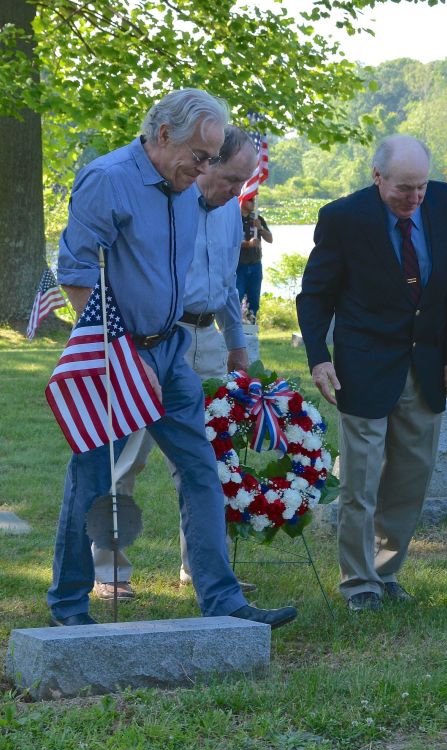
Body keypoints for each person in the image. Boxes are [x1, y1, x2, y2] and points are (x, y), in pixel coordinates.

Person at [52, 89, 297, 629]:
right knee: (93, 476)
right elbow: (74, 274)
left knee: (201, 469)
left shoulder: (188, 191)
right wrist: (119, 351)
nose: (205, 169)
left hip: (170, 353)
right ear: (163, 135)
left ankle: (222, 600)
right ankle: (69, 608)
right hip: (112, 350)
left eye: (213, 160)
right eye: (201, 156)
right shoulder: (107, 178)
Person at [296, 135, 447, 611]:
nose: (414, 198)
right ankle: (358, 584)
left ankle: (386, 571)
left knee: (411, 478)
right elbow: (315, 295)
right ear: (377, 178)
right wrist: (319, 357)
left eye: (421, 187)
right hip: (363, 366)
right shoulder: (343, 218)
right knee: (362, 480)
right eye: (403, 189)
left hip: (428, 365)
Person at [91, 124, 260, 601]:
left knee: (206, 459)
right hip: (157, 339)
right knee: (127, 458)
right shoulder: (169, 203)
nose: (236, 192)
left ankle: (203, 569)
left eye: (243, 183)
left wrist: (237, 343)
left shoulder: (229, 210)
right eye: (230, 179)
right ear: (203, 161)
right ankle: (109, 570)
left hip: (208, 338)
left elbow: (227, 281)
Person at [236, 195, 272, 322]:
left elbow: (270, 239)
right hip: (239, 266)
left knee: (254, 299)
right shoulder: (234, 218)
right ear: (242, 200)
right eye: (250, 200)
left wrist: (260, 228)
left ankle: (251, 324)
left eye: (254, 201)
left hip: (256, 265)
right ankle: (235, 327)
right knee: (236, 298)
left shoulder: (257, 219)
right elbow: (230, 242)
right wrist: (248, 244)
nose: (253, 203)